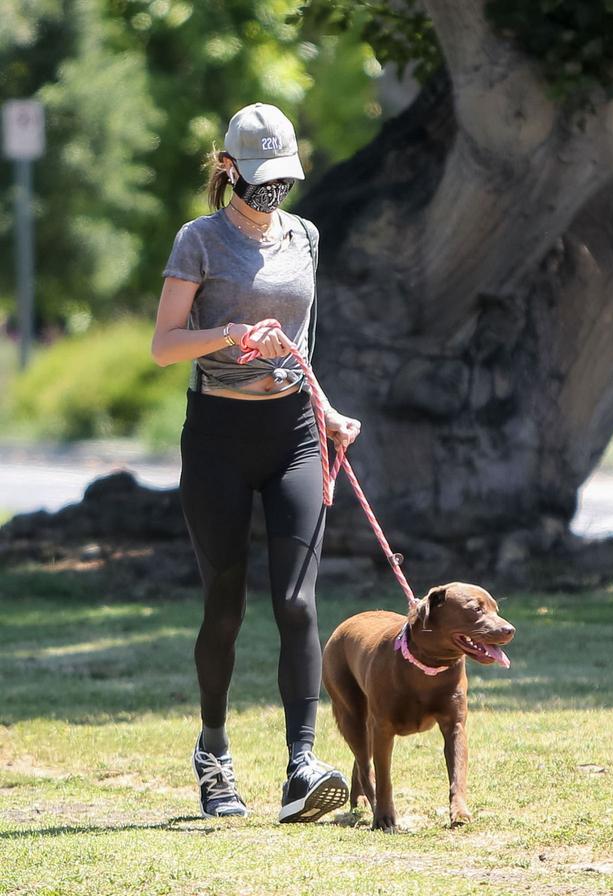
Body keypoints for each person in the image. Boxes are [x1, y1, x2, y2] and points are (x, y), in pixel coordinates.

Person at [151, 102, 361, 823]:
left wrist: (327, 411)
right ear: (231, 170)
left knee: (298, 602)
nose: (274, 189)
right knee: (226, 607)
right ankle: (214, 754)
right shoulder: (199, 242)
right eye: (261, 176)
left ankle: (302, 768)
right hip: (216, 436)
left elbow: (309, 340)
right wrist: (229, 333)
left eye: (285, 176)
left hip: (294, 432)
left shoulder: (305, 237)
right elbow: (164, 344)